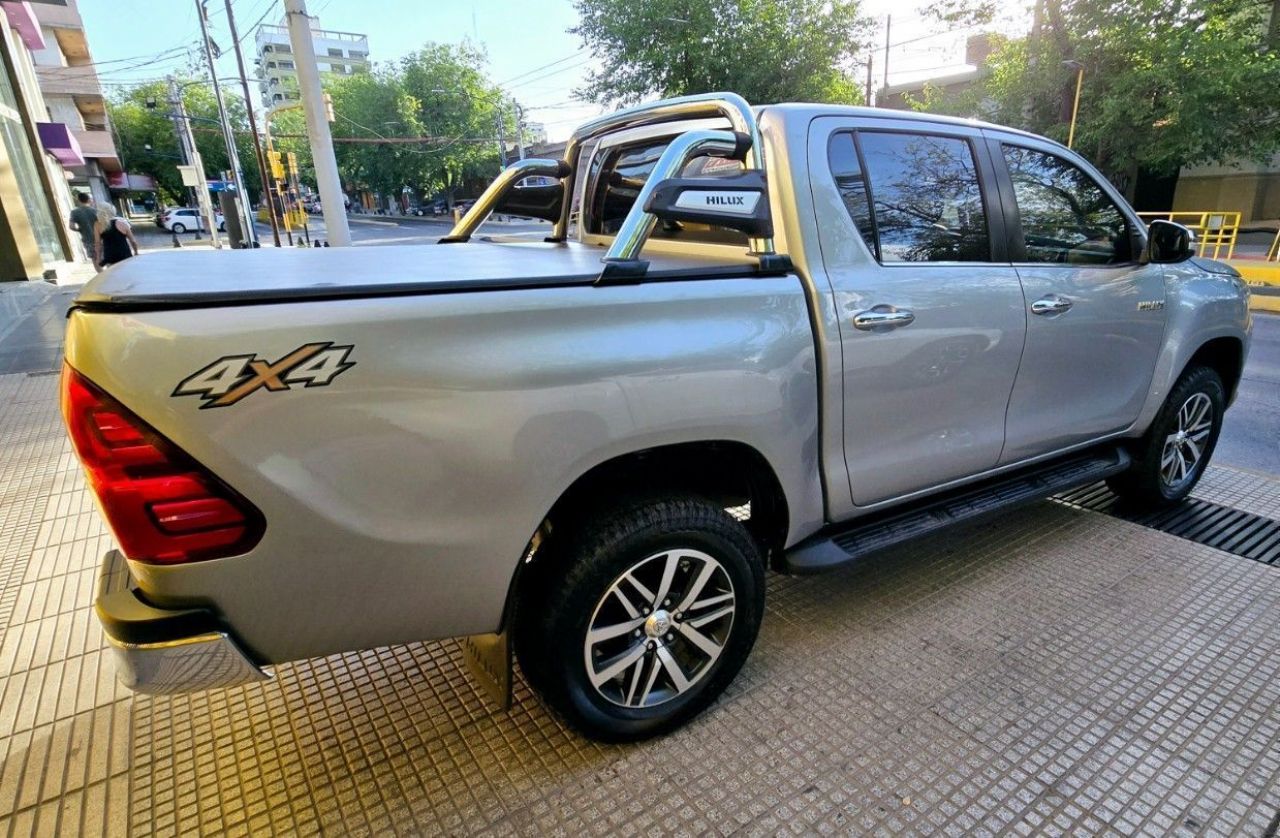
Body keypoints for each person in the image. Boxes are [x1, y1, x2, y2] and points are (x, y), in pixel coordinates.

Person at [68, 192, 97, 262]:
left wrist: (80, 229)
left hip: (88, 239)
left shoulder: (74, 212)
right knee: (106, 258)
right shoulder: (95, 211)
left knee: (95, 259)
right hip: (100, 238)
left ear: (79, 200)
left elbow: (71, 226)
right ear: (89, 200)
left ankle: (101, 272)